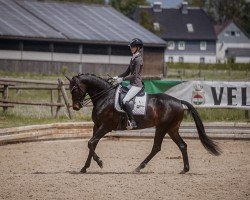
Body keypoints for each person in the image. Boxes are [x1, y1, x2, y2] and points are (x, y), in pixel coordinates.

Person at [113, 38, 144, 129]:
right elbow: (127, 72)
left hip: (136, 85)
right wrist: (118, 77)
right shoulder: (133, 58)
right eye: (131, 46)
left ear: (138, 48)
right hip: (131, 84)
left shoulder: (138, 60)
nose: (131, 48)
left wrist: (122, 79)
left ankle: (133, 121)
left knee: (125, 100)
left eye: (132, 46)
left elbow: (134, 75)